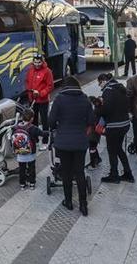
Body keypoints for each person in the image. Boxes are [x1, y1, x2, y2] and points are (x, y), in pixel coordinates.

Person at [48, 76, 96, 216]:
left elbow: (51, 122)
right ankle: (83, 205)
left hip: (63, 142)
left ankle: (68, 201)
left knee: (66, 173)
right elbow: (92, 120)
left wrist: (59, 124)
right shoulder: (85, 99)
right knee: (79, 172)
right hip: (80, 142)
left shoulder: (59, 99)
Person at [97, 73, 134, 184]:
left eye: (99, 83)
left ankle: (114, 175)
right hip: (124, 124)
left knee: (112, 150)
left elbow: (106, 110)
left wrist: (98, 108)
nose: (100, 86)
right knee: (118, 148)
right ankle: (128, 174)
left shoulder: (108, 91)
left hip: (114, 126)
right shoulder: (120, 88)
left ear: (103, 81)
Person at [25, 53, 54, 149]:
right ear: (33, 62)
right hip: (33, 99)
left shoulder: (47, 71)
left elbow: (50, 86)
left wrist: (41, 93)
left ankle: (45, 141)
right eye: (35, 62)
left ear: (42, 61)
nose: (37, 64)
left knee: (44, 121)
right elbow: (27, 82)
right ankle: (35, 140)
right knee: (33, 121)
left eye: (39, 62)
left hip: (43, 100)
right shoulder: (30, 70)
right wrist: (29, 94)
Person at [13, 109, 43, 190]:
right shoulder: (33, 128)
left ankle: (22, 184)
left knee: (22, 169)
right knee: (31, 168)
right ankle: (32, 183)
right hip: (30, 152)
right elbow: (43, 134)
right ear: (32, 118)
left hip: (20, 152)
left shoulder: (16, 127)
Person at [87, 96, 103, 169]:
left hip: (94, 132)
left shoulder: (96, 110)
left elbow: (92, 121)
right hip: (96, 131)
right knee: (93, 146)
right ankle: (97, 159)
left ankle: (93, 164)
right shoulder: (98, 108)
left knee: (92, 147)